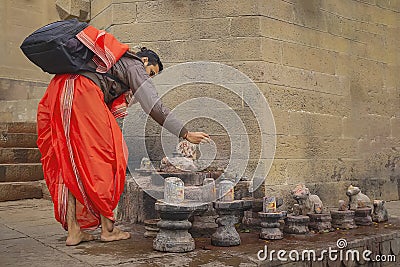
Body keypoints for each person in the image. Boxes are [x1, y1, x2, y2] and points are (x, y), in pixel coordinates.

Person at [36, 25, 209, 246]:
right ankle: (108, 229)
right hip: (83, 93)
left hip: (58, 91)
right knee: (110, 156)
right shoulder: (134, 63)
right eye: (152, 73)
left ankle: (74, 231)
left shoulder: (106, 62)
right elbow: (153, 105)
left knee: (70, 163)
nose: (149, 78)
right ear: (145, 61)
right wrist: (185, 133)